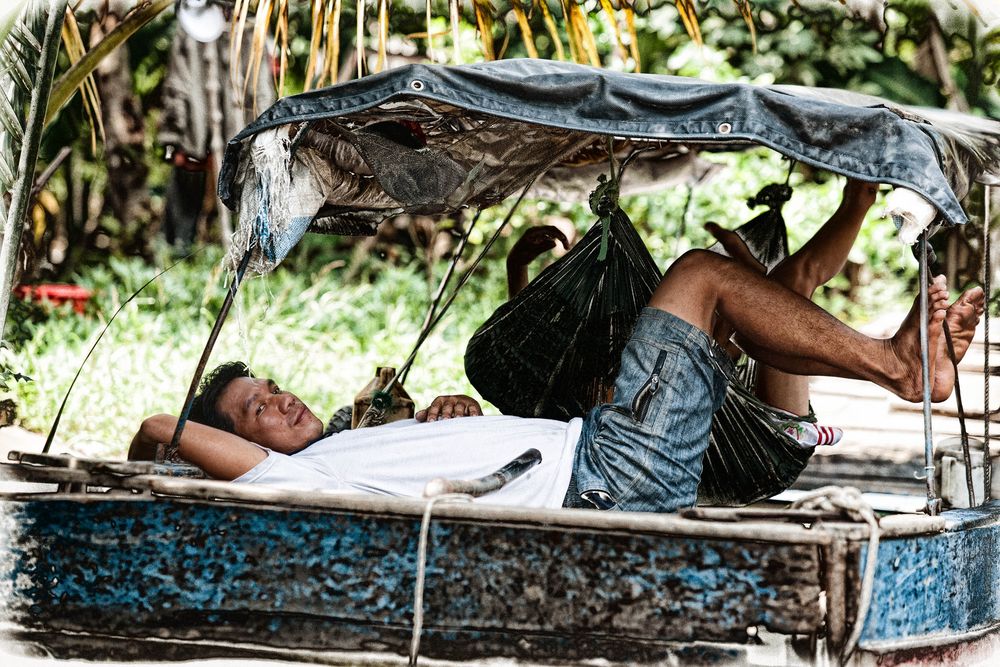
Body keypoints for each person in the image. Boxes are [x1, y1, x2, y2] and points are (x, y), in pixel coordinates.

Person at [131, 227, 984, 512]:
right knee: (699, 278)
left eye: (271, 387)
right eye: (252, 410)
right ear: (236, 452)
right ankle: (901, 366)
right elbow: (162, 428)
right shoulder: (294, 481)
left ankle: (896, 362)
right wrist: (164, 461)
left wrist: (448, 422)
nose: (278, 400)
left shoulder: (351, 452)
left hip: (600, 462)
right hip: (605, 476)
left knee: (717, 292)